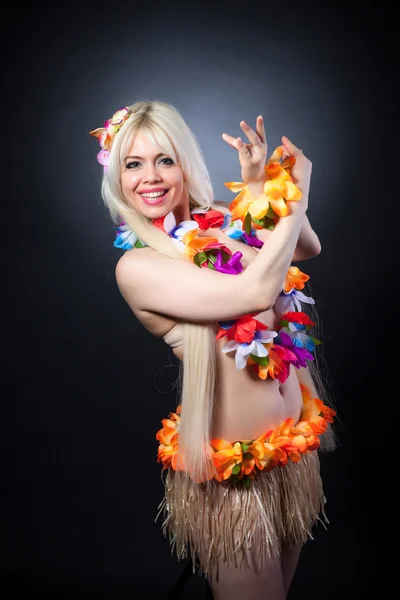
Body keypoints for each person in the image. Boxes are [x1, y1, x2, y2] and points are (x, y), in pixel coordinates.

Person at [89, 100, 337, 600]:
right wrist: (299, 196)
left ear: (185, 162)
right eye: (132, 164)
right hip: (233, 480)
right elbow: (255, 293)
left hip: (289, 452)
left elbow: (303, 246)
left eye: (163, 159)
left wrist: (260, 190)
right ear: (116, 177)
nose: (149, 178)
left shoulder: (222, 220)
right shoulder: (138, 268)